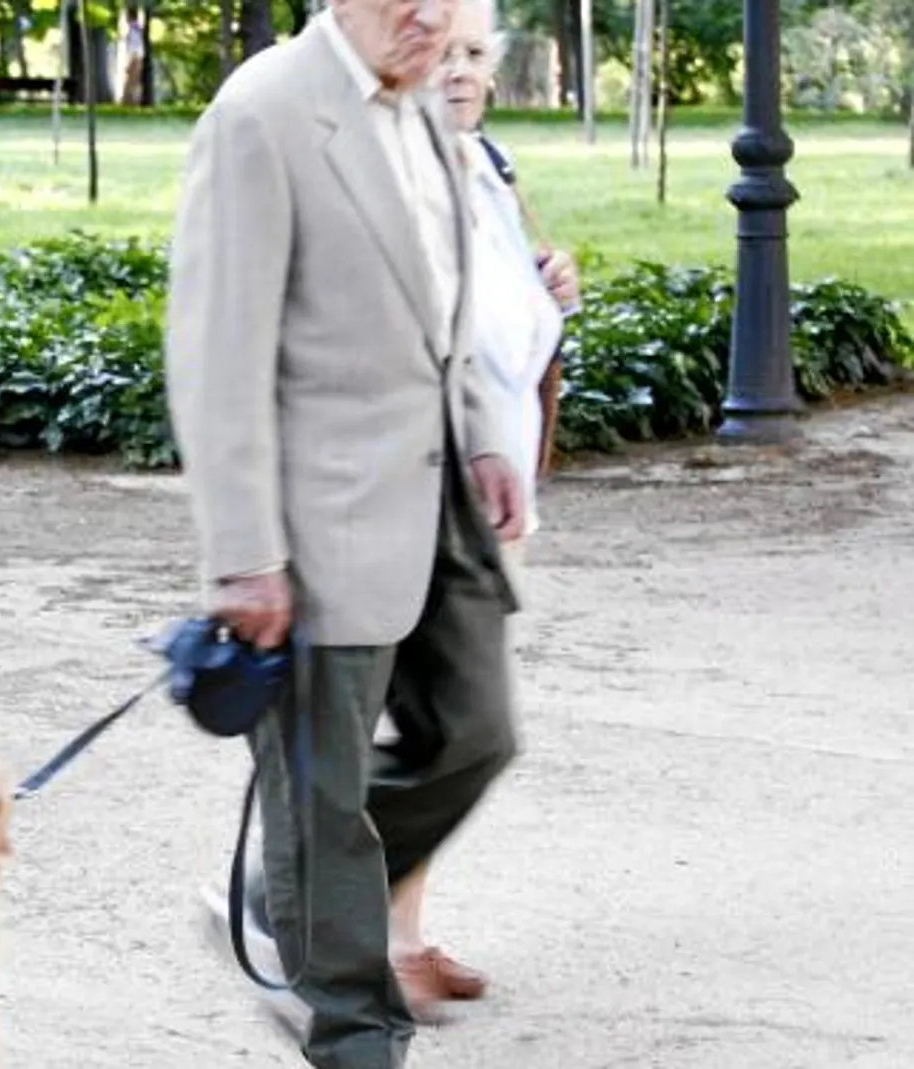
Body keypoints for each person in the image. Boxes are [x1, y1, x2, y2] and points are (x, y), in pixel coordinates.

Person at [162, 0, 524, 1065]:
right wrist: (244, 554)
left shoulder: (416, 100)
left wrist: (483, 437)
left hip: (442, 495)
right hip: (317, 525)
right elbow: (216, 352)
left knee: (476, 734)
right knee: (320, 805)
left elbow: (437, 311)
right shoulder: (262, 113)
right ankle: (356, 1035)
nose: (428, 14)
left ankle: (280, 894)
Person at [376, 0, 582, 1015]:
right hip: (430, 489)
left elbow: (506, 317)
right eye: (442, 54)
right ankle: (347, 921)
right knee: (443, 725)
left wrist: (552, 289)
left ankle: (402, 934)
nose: (457, 72)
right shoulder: (404, 176)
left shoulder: (489, 170)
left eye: (473, 55)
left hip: (498, 479)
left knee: (448, 727)